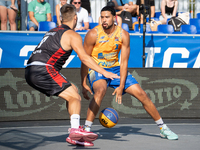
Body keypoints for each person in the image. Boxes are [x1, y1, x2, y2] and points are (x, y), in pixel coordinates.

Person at [80, 6, 178, 145]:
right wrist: (83, 83)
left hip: (115, 69)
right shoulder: (92, 34)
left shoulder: (123, 34)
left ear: (115, 18)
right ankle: (86, 130)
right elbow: (85, 60)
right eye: (102, 17)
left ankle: (163, 128)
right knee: (100, 90)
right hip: (97, 70)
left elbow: (124, 63)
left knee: (141, 93)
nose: (104, 20)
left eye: (107, 17)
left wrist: (121, 86)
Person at [25, 4, 119, 147]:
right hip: (44, 69)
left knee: (73, 91)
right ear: (75, 18)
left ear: (61, 18)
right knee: (75, 97)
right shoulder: (72, 34)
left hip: (30, 70)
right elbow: (85, 58)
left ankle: (75, 135)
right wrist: (105, 72)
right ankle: (75, 130)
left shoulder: (52, 31)